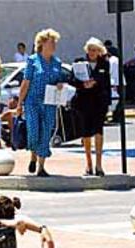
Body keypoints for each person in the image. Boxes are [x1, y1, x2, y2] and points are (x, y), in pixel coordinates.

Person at [16, 28, 65, 177]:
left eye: (55, 42)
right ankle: (33, 156)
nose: (54, 45)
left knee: (45, 133)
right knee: (33, 131)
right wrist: (19, 103)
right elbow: (26, 82)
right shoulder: (32, 60)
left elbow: (60, 79)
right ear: (42, 43)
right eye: (51, 42)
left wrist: (60, 84)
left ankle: (41, 167)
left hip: (49, 103)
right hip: (32, 102)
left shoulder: (57, 62)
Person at [70, 37, 111, 177]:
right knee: (86, 133)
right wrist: (83, 85)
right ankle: (88, 164)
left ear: (99, 51)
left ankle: (99, 164)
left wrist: (94, 82)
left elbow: (105, 81)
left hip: (99, 102)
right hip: (83, 102)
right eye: (90, 50)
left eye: (95, 50)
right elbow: (72, 80)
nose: (92, 53)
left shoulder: (105, 64)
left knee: (98, 131)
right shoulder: (79, 62)